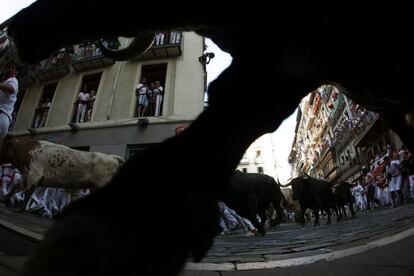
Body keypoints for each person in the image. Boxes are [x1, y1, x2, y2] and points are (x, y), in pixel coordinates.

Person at [0, 62, 18, 137]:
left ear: (16, 72)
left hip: (2, 116)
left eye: (13, 68)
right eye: (8, 67)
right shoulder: (4, 82)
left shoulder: (13, 80)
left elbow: (11, 89)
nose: (10, 69)